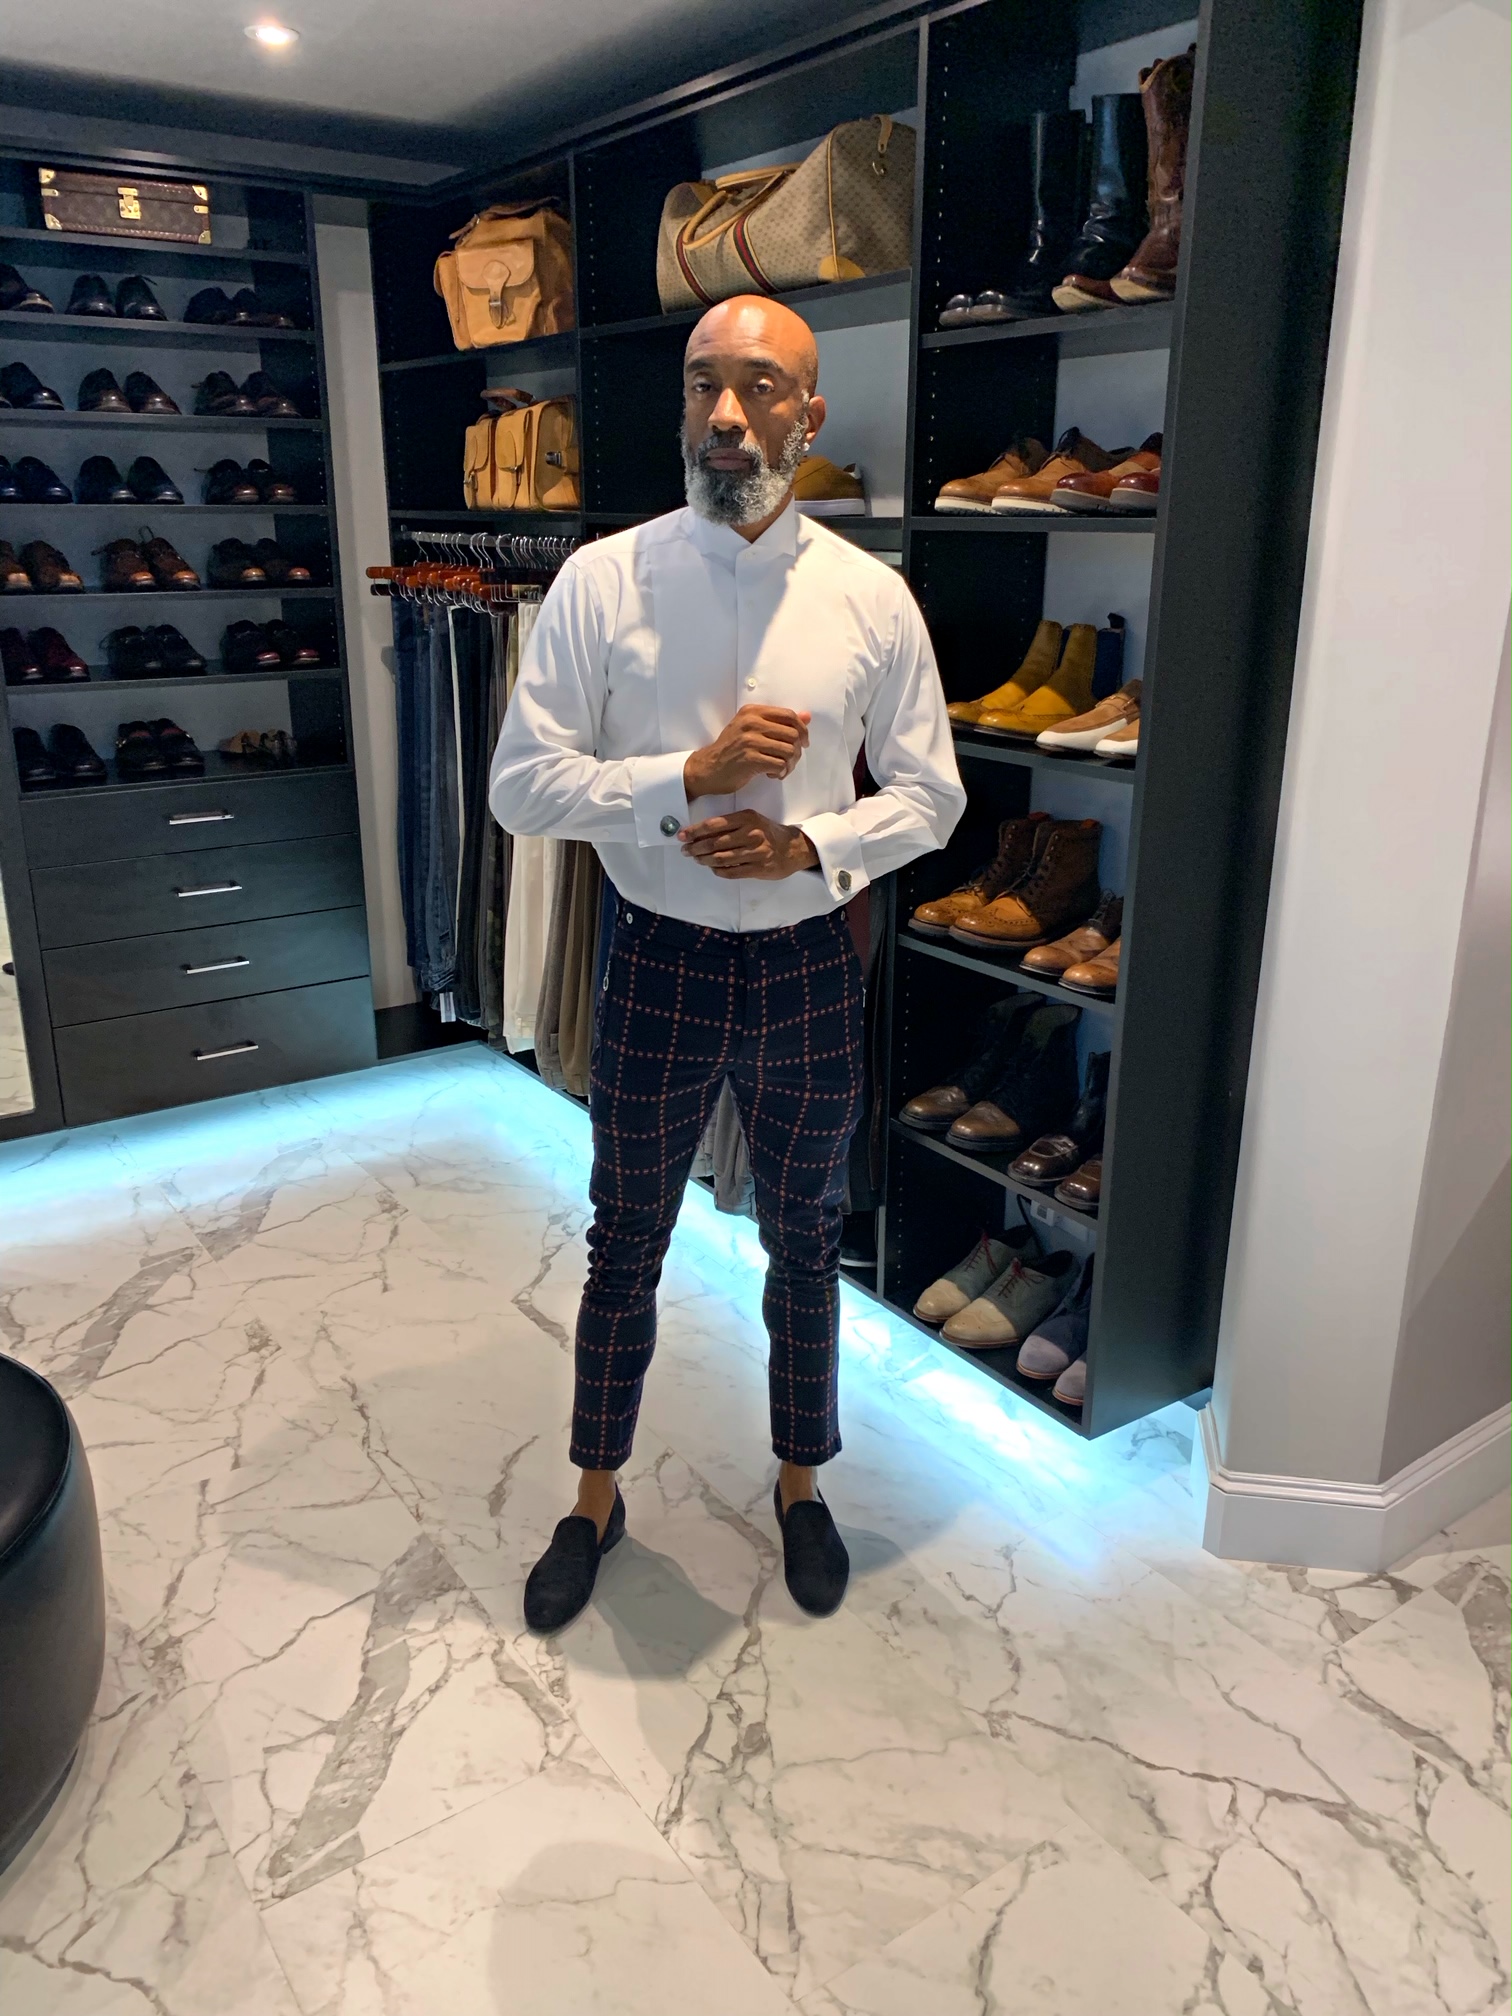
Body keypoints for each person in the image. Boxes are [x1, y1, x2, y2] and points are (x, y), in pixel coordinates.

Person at [489, 294, 965, 1630]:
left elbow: (932, 797)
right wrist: (680, 779)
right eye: (706, 383)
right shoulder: (602, 581)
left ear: (809, 416)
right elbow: (521, 786)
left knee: (808, 1235)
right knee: (626, 1236)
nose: (727, 413)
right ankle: (595, 1495)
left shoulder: (871, 598)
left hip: (810, 961)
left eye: (760, 386)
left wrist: (811, 846)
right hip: (658, 958)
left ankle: (802, 1483)